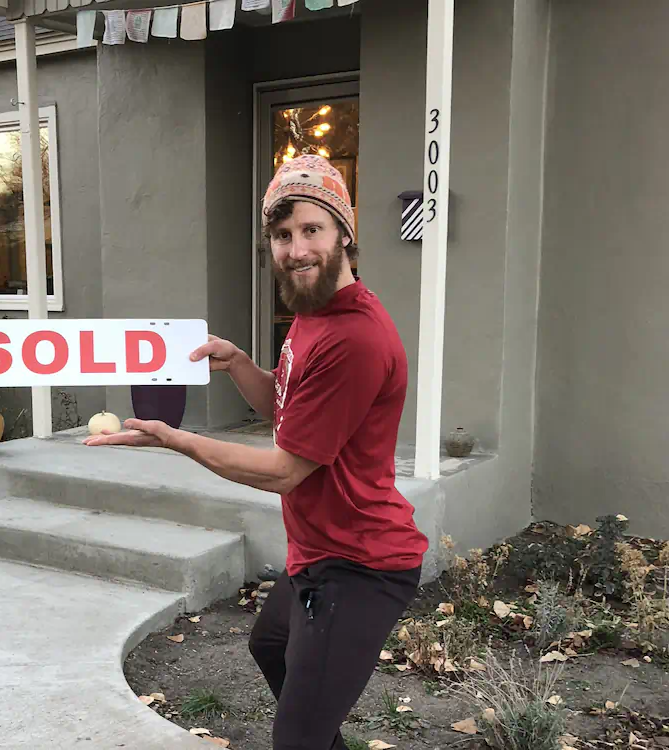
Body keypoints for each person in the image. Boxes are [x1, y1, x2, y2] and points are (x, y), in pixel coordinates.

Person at [84, 154, 428, 750]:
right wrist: (240, 363)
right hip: (321, 550)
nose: (296, 250)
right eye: (281, 235)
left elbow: (286, 470)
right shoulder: (312, 314)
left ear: (345, 234)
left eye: (311, 230)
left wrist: (177, 439)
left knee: (296, 737)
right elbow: (287, 411)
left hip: (361, 564)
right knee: (270, 645)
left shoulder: (355, 338)